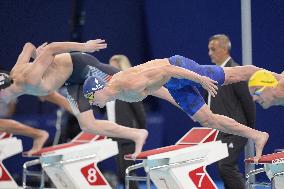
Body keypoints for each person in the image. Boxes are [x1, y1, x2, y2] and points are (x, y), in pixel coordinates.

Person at [83, 54, 269, 161]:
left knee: (232, 76)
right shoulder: (118, 93)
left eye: (91, 98)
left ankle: (278, 78)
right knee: (206, 119)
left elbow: (167, 70)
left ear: (99, 89)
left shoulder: (128, 83)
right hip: (173, 85)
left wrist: (200, 79)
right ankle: (257, 136)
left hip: (177, 67)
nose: (91, 103)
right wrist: (184, 108)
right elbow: (159, 90)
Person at [0, 39, 148, 158]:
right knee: (88, 125)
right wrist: (37, 55)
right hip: (73, 82)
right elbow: (28, 46)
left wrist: (84, 46)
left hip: (81, 66)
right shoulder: (16, 73)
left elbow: (52, 48)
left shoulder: (30, 79)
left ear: (2, 92)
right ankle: (136, 134)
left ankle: (170, 86)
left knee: (134, 82)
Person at [207, 34, 255, 189]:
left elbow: (248, 103)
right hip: (221, 130)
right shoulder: (214, 73)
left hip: (235, 130)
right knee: (224, 168)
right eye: (209, 49)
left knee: (225, 166)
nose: (209, 53)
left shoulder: (235, 72)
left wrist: (249, 130)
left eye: (213, 49)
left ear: (224, 49)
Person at [107, 55, 146, 189]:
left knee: (128, 171)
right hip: (113, 137)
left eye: (113, 67)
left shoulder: (130, 88)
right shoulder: (108, 88)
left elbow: (140, 114)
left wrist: (140, 133)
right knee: (121, 173)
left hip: (128, 136)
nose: (109, 69)